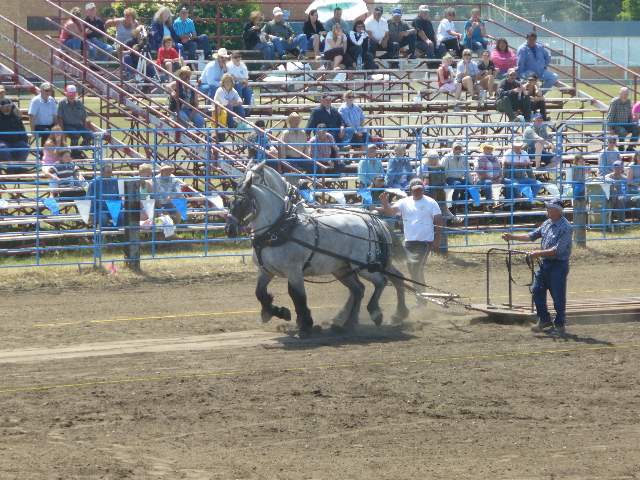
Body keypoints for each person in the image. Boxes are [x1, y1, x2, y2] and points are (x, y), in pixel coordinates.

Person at [502, 198, 572, 337]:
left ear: (557, 211)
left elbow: (557, 251)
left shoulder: (566, 228)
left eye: (549, 208)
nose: (547, 210)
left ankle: (559, 324)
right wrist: (512, 237)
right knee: (536, 290)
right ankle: (545, 319)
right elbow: (532, 236)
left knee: (558, 296)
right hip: (546, 263)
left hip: (558, 265)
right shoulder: (547, 223)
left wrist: (537, 253)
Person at [378, 178, 443, 297]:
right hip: (409, 242)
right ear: (410, 190)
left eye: (420, 189)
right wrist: (385, 203)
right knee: (413, 270)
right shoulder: (404, 202)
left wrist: (437, 239)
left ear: (423, 189)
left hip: (424, 242)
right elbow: (391, 212)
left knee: (416, 269)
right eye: (415, 190)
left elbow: (438, 220)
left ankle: (421, 297)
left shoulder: (431, 202)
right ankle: (421, 294)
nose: (418, 192)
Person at [56, 85, 93, 158]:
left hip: (79, 126)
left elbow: (84, 117)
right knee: (76, 134)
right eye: (70, 94)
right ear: (66, 94)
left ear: (75, 94)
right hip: (67, 125)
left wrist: (86, 129)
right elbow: (59, 118)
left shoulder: (79, 103)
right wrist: (62, 131)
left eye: (73, 94)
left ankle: (79, 149)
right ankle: (74, 153)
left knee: (90, 135)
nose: (71, 96)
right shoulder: (61, 103)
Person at [0, 98, 30, 172]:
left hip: (16, 142)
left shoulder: (16, 118)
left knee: (25, 147)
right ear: (1, 107)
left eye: (9, 106)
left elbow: (23, 131)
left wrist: (25, 140)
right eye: (5, 106)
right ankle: (14, 168)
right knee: (2, 148)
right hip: (3, 143)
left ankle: (15, 168)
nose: (7, 108)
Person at [28, 82, 58, 148]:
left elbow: (55, 116)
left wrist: (57, 127)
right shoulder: (35, 100)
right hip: (38, 126)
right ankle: (43, 154)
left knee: (59, 132)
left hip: (50, 126)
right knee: (47, 132)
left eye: (50, 90)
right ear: (41, 90)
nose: (48, 92)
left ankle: (60, 154)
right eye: (46, 90)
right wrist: (32, 131)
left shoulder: (52, 100)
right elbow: (31, 116)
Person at [441, 142, 469, 208]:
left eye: (459, 148)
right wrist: (443, 182)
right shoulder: (446, 157)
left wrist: (470, 181)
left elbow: (467, 171)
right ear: (452, 148)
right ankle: (454, 204)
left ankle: (460, 204)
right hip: (449, 178)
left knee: (470, 186)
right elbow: (442, 170)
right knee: (458, 184)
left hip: (460, 178)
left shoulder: (464, 157)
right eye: (456, 148)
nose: (458, 150)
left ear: (461, 149)